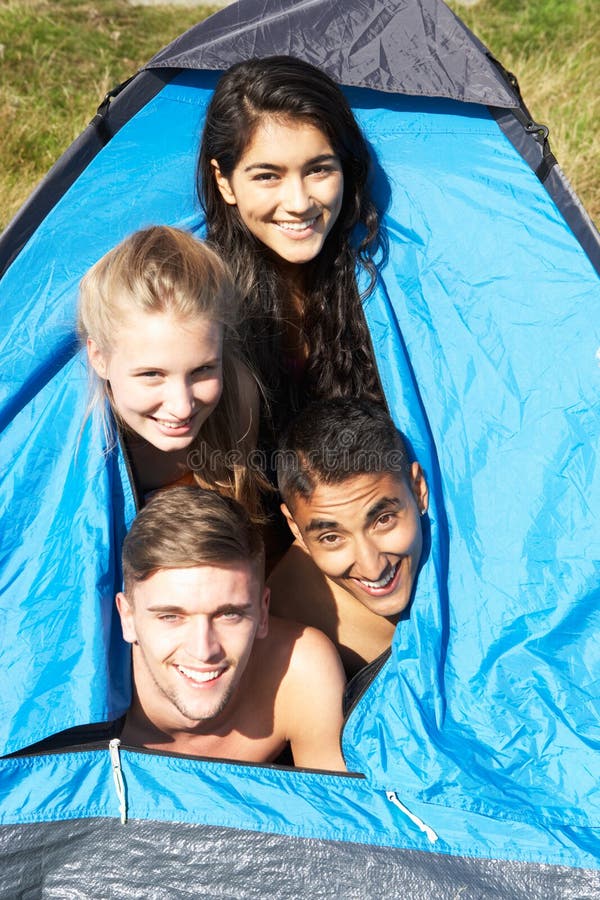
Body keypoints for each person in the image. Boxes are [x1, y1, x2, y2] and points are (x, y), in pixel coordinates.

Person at [198, 55, 384, 433]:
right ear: (224, 182)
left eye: (319, 169)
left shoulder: (379, 275)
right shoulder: (203, 296)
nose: (299, 203)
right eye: (268, 176)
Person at [115, 485, 347, 770]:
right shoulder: (83, 690)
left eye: (228, 615)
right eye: (171, 617)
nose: (203, 650)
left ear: (263, 612)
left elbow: (333, 810)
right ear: (127, 618)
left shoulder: (299, 671)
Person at [78, 225, 264, 515]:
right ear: (99, 358)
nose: (181, 407)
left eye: (202, 369)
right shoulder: (77, 440)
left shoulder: (236, 397)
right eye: (152, 374)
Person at [268, 399, 429, 678]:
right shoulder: (283, 629)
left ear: (418, 490)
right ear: (296, 529)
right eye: (332, 537)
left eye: (383, 520)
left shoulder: (470, 535)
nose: (372, 567)